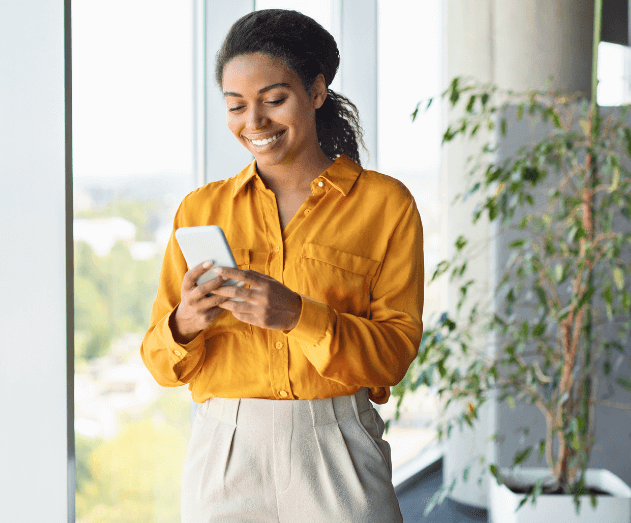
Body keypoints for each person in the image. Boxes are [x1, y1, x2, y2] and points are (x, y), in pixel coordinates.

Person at [140, 9, 423, 523]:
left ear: (316, 91)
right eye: (236, 106)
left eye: (274, 100)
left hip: (335, 446)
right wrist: (185, 322)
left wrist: (299, 315)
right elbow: (160, 364)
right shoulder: (200, 211)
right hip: (225, 450)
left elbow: (394, 355)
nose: (254, 123)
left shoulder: (386, 204)